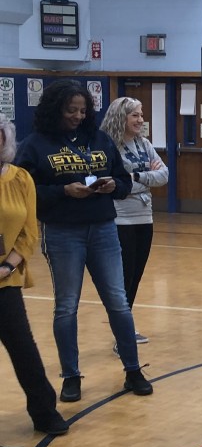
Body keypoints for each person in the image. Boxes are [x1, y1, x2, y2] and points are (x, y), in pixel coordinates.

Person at [16, 80, 153, 401]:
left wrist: (108, 185)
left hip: (104, 228)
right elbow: (25, 191)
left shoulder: (100, 139)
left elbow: (122, 180)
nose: (77, 116)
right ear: (55, 110)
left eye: (82, 110)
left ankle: (133, 370)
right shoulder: (35, 145)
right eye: (70, 111)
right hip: (63, 232)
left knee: (118, 302)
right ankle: (71, 375)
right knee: (66, 307)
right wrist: (63, 191)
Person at [0, 116, 70, 447]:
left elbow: (29, 232)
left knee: (23, 348)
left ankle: (44, 412)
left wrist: (7, 267)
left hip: (6, 281)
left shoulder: (20, 178)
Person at [101, 96, 168, 344]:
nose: (141, 120)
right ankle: (122, 333)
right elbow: (109, 185)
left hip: (145, 217)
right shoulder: (107, 146)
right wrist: (143, 180)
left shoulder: (144, 143)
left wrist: (134, 178)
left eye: (141, 115)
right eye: (135, 115)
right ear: (122, 117)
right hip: (120, 220)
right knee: (123, 277)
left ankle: (125, 326)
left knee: (136, 275)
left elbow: (163, 175)